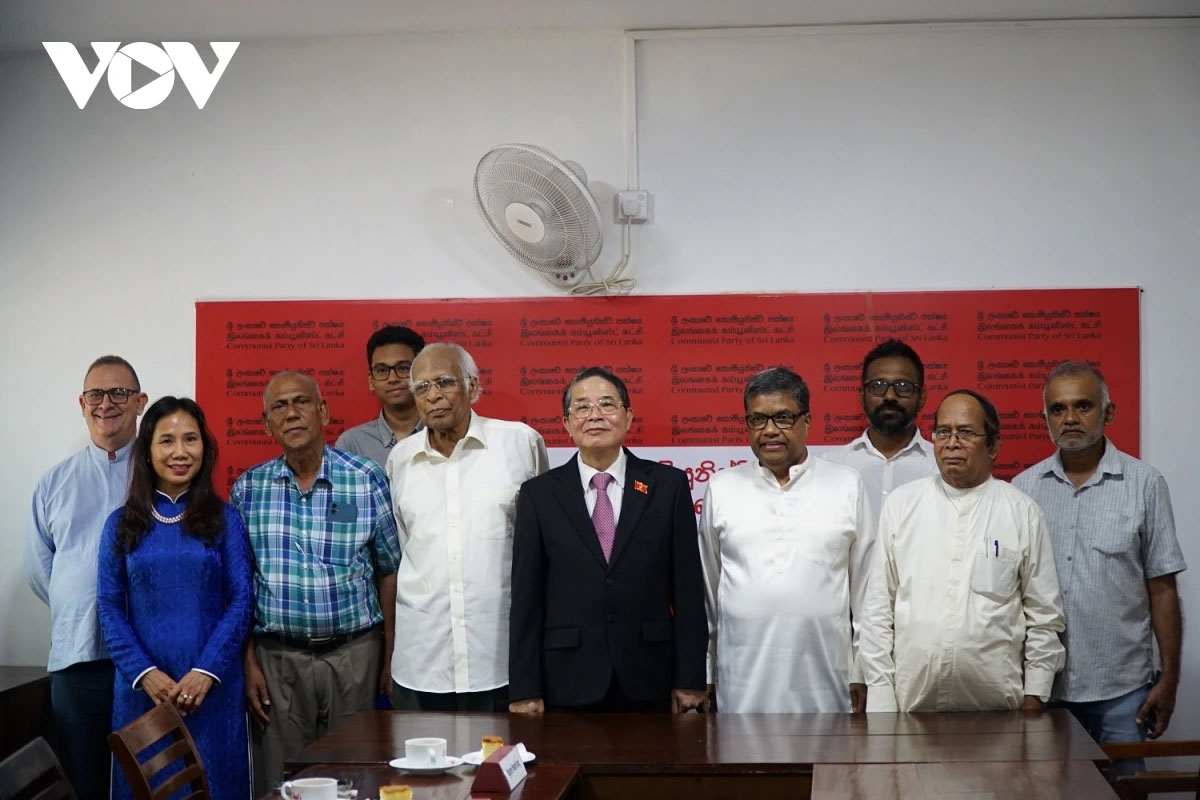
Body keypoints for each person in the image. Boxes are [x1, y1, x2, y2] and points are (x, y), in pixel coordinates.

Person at [233, 371, 400, 795]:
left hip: (355, 656)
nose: (292, 414)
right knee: (284, 783)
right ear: (267, 424)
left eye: (301, 402)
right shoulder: (248, 490)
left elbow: (389, 569)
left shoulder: (365, 478)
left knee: (356, 778)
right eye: (279, 407)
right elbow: (239, 587)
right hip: (278, 661)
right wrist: (248, 664)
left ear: (323, 412)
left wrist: (390, 656)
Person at [1013, 362, 1186, 775]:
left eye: (1083, 406)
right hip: (1044, 689)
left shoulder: (1145, 484)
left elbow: (1162, 588)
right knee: (1045, 791)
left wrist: (1169, 679)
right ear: (1045, 418)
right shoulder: (1023, 490)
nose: (1070, 418)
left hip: (1122, 691)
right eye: (1058, 409)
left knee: (1124, 791)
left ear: (1108, 413)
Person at [509, 367, 708, 713]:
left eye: (606, 404)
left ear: (628, 417)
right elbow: (526, 598)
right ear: (566, 423)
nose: (594, 415)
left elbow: (687, 590)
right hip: (567, 678)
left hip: (651, 675)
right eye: (582, 407)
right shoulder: (539, 495)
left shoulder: (668, 486)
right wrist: (525, 688)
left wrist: (690, 677)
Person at [860, 390, 1066, 712]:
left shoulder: (1022, 513)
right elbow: (877, 610)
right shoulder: (902, 505)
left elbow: (1044, 617)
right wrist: (881, 698)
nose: (952, 443)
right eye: (943, 432)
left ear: (993, 445)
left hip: (999, 713)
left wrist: (1035, 695)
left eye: (966, 433)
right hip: (908, 708)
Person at [97, 397, 252, 800]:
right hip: (143, 692)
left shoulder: (225, 519)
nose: (180, 452)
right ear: (147, 451)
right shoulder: (120, 524)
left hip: (212, 690)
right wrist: (144, 672)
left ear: (205, 447)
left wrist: (206, 671)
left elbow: (241, 600)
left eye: (190, 439)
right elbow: (109, 607)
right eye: (167, 441)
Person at [699, 367, 874, 713]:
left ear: (807, 421)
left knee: (828, 750)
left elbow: (867, 591)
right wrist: (706, 670)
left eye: (783, 418)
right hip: (741, 684)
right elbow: (708, 592)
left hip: (827, 681)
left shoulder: (846, 485)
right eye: (757, 419)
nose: (769, 431)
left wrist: (863, 669)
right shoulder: (722, 487)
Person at [386, 343, 548, 711]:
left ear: (472, 386)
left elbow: (544, 544)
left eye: (444, 382)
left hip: (501, 659)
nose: (433, 396)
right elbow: (404, 548)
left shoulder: (520, 443)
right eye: (421, 387)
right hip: (423, 661)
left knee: (506, 751)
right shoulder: (400, 460)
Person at [24, 355, 148, 799]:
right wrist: (81, 603)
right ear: (82, 404)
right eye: (96, 394)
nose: (106, 403)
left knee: (147, 779)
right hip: (77, 661)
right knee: (82, 780)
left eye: (119, 393)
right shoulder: (53, 484)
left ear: (140, 402)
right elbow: (42, 572)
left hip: (145, 661)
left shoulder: (161, 477)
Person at [824, 339, 935, 521]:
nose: (890, 396)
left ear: (921, 397)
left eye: (903, 387)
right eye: (878, 386)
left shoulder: (940, 467)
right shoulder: (832, 466)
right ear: (862, 396)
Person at [336, 325, 426, 469]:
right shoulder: (351, 444)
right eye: (382, 370)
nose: (392, 379)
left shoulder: (444, 434)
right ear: (371, 381)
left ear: (423, 373)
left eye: (403, 368)